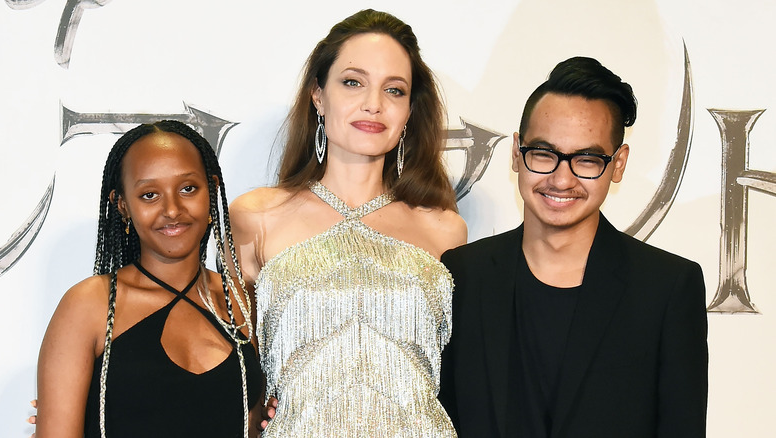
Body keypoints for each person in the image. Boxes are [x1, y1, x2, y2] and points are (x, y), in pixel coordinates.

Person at [438, 57, 708, 437]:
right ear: (517, 152)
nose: (561, 179)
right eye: (545, 154)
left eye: (587, 159)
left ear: (618, 164)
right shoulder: (463, 275)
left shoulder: (667, 287)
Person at [230, 9, 467, 437]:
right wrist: (252, 413)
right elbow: (236, 367)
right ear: (318, 95)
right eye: (353, 82)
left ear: (410, 110)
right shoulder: (255, 216)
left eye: (394, 90)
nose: (373, 104)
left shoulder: (444, 229)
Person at [35, 121, 261, 438]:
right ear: (122, 205)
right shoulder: (88, 306)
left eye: (188, 189)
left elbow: (253, 423)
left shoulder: (240, 299)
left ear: (211, 190)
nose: (172, 209)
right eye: (150, 194)